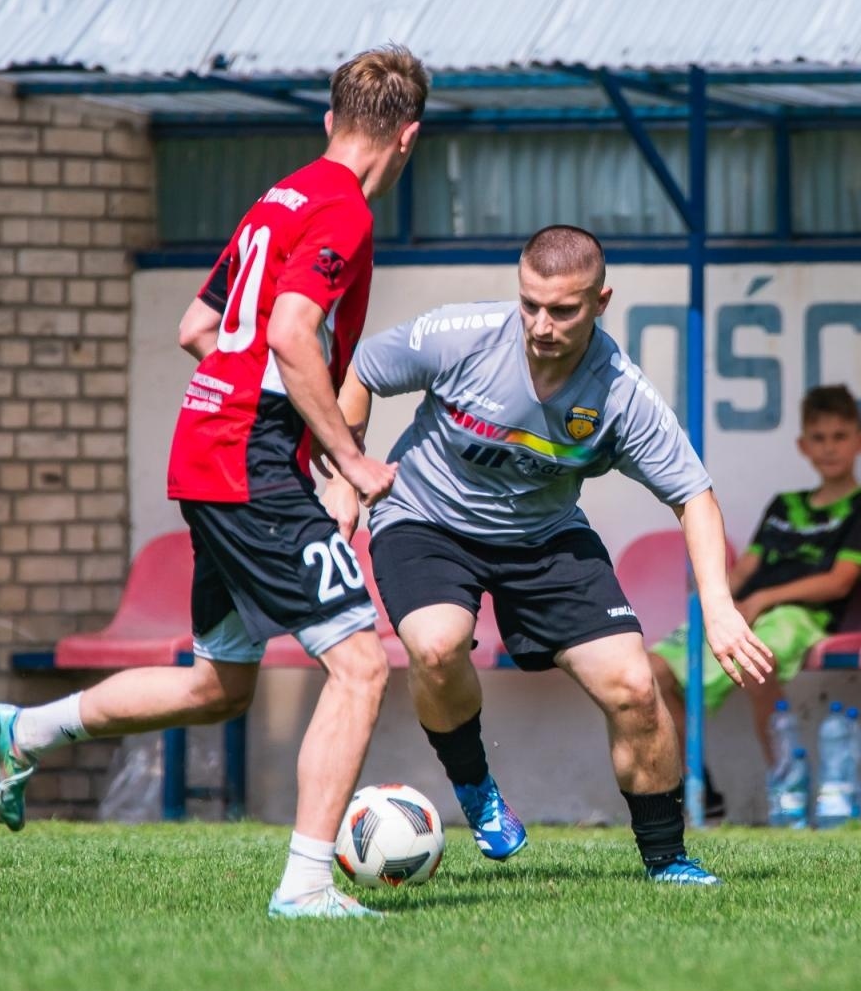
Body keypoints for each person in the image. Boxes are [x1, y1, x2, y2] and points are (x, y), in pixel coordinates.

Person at [0, 45, 430, 920]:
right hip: (249, 461)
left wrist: (259, 395)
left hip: (210, 450)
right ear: (408, 136)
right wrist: (349, 457)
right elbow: (295, 333)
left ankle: (24, 729)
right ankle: (304, 887)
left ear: (330, 120)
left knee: (218, 684)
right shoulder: (342, 211)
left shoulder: (281, 196)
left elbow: (199, 326)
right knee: (363, 666)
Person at [325, 225, 773, 888]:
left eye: (562, 309)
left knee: (635, 687)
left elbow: (694, 495)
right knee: (438, 644)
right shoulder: (464, 334)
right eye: (530, 303)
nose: (541, 323)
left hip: (544, 535)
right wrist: (345, 471)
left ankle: (667, 858)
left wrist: (719, 605)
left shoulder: (619, 393)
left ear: (600, 300)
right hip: (424, 519)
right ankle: (474, 785)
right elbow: (363, 370)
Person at [649, 384, 861, 814]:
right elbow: (745, 570)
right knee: (651, 670)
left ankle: (787, 791)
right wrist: (714, 594)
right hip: (747, 608)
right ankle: (697, 790)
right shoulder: (784, 505)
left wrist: (762, 599)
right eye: (819, 437)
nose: (829, 447)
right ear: (803, 445)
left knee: (757, 662)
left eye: (839, 436)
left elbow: (838, 583)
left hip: (803, 616)